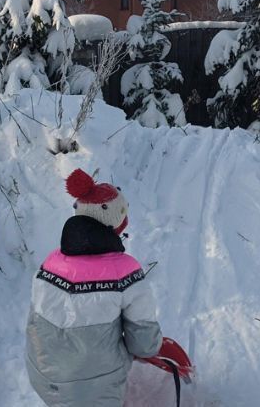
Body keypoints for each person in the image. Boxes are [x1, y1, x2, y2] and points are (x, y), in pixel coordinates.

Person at [26, 169, 162, 406]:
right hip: (95, 388)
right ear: (117, 223)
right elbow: (144, 344)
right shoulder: (126, 271)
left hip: (40, 375)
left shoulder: (50, 262)